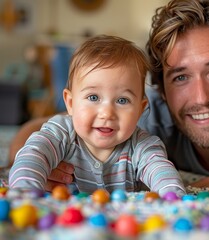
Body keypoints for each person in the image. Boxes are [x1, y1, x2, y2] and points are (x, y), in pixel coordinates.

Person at [9, 0, 209, 198]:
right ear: (160, 88)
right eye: (180, 77)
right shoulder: (136, 112)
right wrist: (43, 167)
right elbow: (32, 133)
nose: (200, 98)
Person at [8, 34, 186, 197]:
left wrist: (172, 196)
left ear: (140, 109)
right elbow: (33, 156)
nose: (107, 113)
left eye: (122, 100)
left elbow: (161, 172)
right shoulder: (61, 133)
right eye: (93, 97)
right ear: (70, 103)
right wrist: (25, 193)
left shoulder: (143, 146)